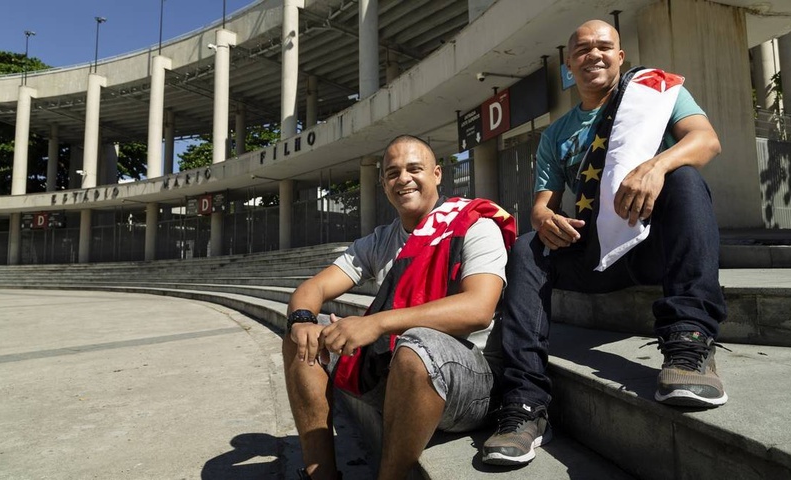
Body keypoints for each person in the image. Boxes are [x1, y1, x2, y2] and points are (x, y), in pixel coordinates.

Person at [481, 19, 728, 466]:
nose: (593, 54)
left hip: (653, 245)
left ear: (619, 57)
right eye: (582, 50)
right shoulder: (556, 134)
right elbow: (541, 205)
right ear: (568, 65)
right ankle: (524, 404)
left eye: (603, 47)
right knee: (526, 247)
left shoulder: (654, 93)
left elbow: (706, 141)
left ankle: (689, 344)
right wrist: (545, 218)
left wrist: (657, 166)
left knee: (686, 179)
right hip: (596, 253)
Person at [283, 135, 516, 479]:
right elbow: (315, 287)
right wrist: (302, 320)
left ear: (437, 174)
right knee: (299, 340)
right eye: (392, 173)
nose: (403, 178)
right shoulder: (380, 239)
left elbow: (478, 307)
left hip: (471, 383)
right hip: (396, 374)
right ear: (383, 184)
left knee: (415, 345)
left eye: (414, 169)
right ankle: (321, 475)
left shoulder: (475, 226)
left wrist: (375, 324)